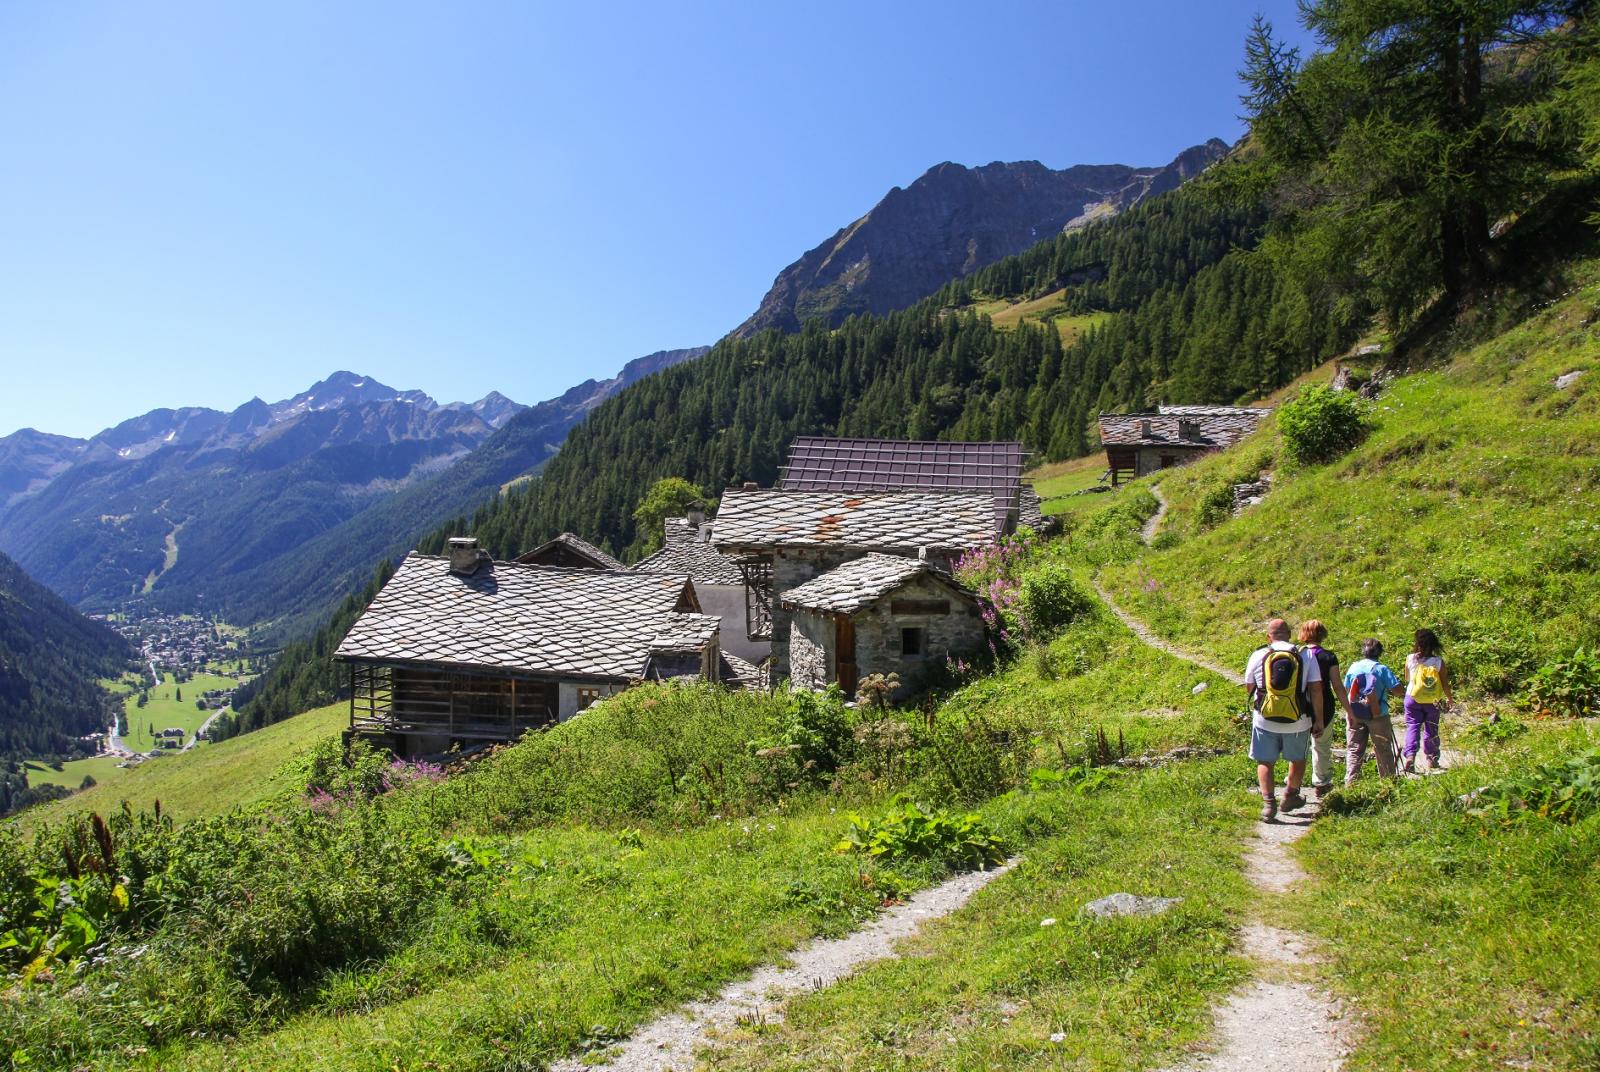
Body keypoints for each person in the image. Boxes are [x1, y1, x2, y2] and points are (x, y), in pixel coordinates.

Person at [1242, 618, 1324, 821]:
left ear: (1268, 636)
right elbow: (1315, 688)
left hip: (1264, 719)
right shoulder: (1305, 655)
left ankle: (1269, 805)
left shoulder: (1259, 654)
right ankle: (1289, 795)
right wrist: (1319, 719)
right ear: (1289, 634)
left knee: (1265, 761)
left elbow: (1249, 685)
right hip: (1298, 719)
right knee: (1297, 759)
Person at [1298, 620, 1351, 800]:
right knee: (1321, 745)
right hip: (1325, 705)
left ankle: (1293, 781)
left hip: (1299, 705)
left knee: (1298, 745)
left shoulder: (1298, 654)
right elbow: (1337, 685)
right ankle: (1322, 783)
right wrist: (1349, 710)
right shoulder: (1328, 657)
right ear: (1323, 634)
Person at [1342, 638, 1404, 783]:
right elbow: (1397, 691)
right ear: (1379, 653)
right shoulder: (1382, 669)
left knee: (1354, 749)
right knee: (1383, 749)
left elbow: (1345, 689)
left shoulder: (1354, 667)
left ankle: (1351, 783)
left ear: (1363, 651)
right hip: (1378, 714)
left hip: (1355, 713)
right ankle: (1388, 783)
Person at [1402, 627, 1454, 773]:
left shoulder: (1410, 658)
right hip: (1433, 701)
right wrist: (1450, 699)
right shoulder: (1438, 662)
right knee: (1431, 728)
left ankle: (1410, 757)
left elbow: (1407, 678)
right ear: (1434, 644)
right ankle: (1431, 759)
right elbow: (1444, 683)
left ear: (1417, 643)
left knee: (1413, 726)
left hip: (1412, 698)